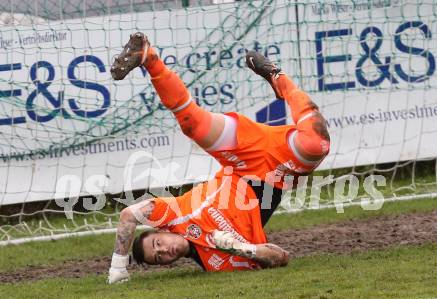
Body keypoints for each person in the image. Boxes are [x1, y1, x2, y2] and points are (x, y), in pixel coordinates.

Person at [107, 32, 330, 283]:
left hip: (242, 160)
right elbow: (280, 258)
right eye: (159, 257)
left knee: (193, 125)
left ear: (161, 230)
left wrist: (118, 268)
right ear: (169, 263)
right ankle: (284, 84)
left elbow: (128, 216)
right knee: (316, 143)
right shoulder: (216, 263)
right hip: (277, 174)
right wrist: (239, 248)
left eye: (157, 243)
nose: (163, 250)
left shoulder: (173, 215)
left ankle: (149, 58)